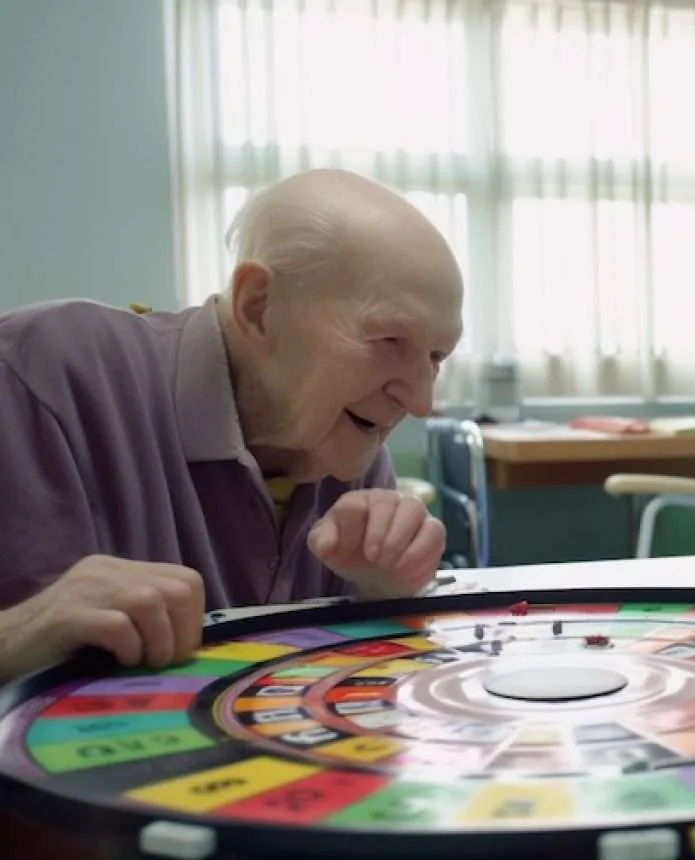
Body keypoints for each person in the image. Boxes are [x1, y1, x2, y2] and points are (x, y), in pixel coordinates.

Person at [0, 169, 463, 681]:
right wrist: (27, 629)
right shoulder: (42, 371)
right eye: (389, 340)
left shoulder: (348, 432)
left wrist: (383, 591)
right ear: (259, 307)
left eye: (437, 356)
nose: (420, 401)